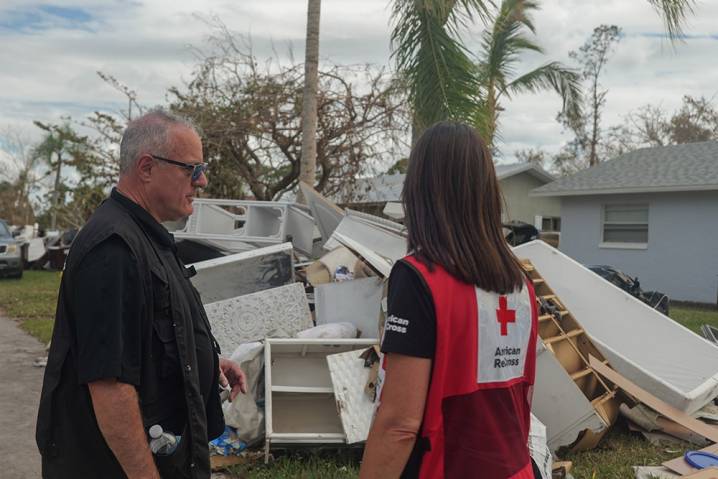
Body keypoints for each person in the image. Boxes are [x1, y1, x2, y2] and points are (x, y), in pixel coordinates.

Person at [36, 109, 247, 479]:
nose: (202, 181)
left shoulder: (147, 237)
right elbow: (110, 386)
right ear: (147, 168)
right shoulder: (114, 249)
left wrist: (207, 364)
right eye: (192, 169)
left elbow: (153, 331)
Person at [359, 122, 539, 479]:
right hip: (515, 469)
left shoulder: (418, 278)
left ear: (420, 190)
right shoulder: (520, 283)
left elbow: (400, 424)